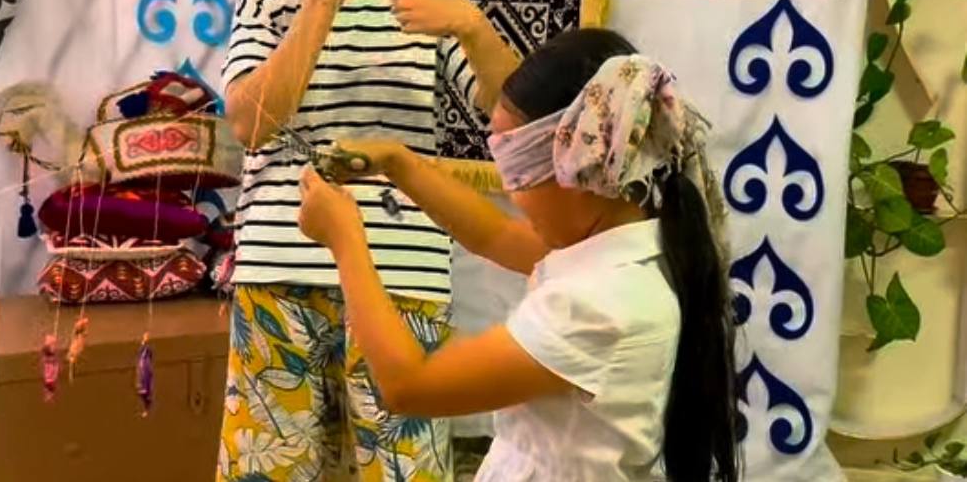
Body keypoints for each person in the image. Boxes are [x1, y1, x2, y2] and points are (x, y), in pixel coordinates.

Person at [298, 28, 743, 481]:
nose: (511, 191)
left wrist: (345, 240)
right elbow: (495, 236)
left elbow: (409, 387)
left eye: (518, 168)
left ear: (583, 162)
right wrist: (400, 163)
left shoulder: (597, 303)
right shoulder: (640, 254)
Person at [216, 0, 521, 478]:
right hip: (278, 271)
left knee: (404, 469)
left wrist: (473, 28)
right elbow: (250, 124)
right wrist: (319, 1)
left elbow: (515, 121)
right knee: (270, 469)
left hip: (401, 277)